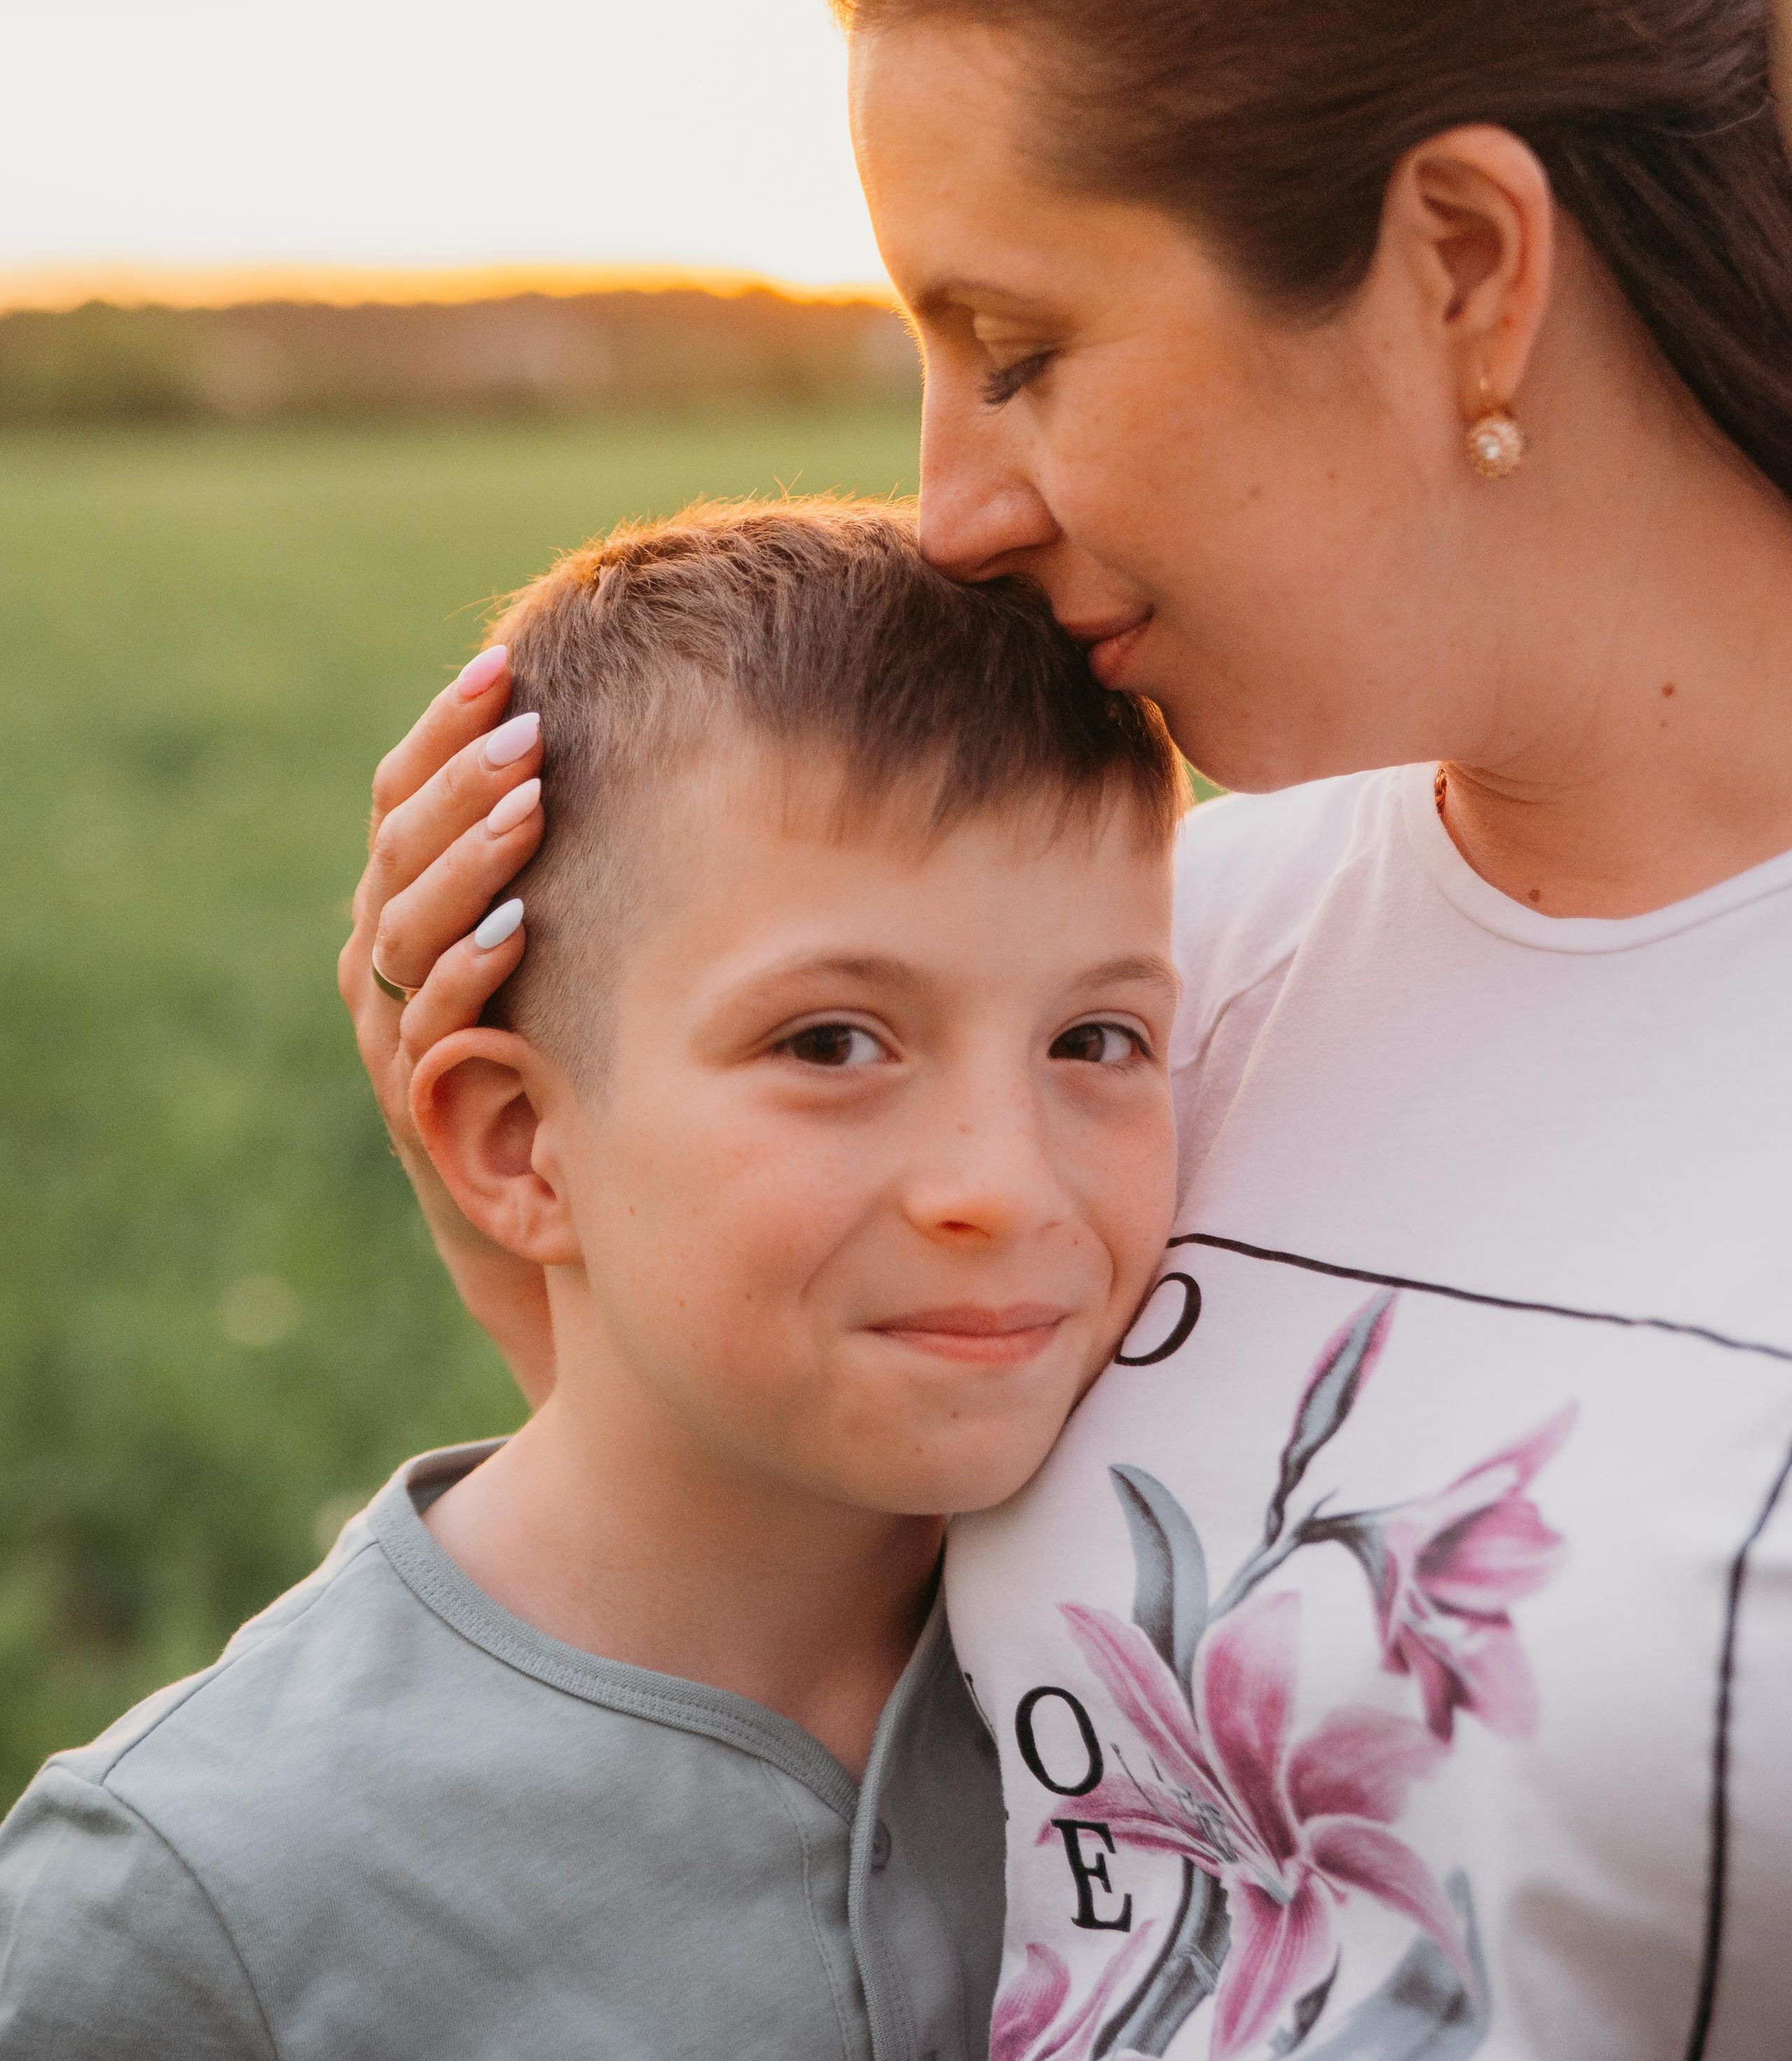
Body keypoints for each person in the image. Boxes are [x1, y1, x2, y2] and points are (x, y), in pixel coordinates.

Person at [346, 0, 1792, 2059]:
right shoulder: (1133, 985)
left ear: (1460, 261)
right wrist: (598, 1258)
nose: (949, 508)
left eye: (1021, 349)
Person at [0, 500, 1189, 2060]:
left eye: (1093, 1039)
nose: (1003, 1184)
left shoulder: (1210, 1655)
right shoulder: (185, 1906)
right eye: (830, 1041)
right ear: (511, 1141)